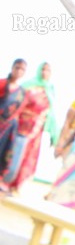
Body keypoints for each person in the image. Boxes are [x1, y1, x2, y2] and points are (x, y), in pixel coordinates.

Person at [0, 62, 59, 194]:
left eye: (48, 70)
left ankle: (15, 185)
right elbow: (17, 104)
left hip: (35, 130)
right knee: (11, 152)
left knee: (26, 156)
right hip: (17, 126)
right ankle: (5, 181)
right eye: (43, 69)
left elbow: (51, 114)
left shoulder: (50, 90)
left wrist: (54, 135)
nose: (45, 72)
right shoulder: (27, 86)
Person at [0, 58, 28, 190]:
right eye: (17, 67)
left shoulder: (22, 92)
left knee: (3, 152)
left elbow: (19, 110)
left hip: (9, 128)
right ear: (12, 68)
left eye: (22, 69)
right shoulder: (2, 83)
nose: (19, 71)